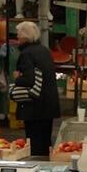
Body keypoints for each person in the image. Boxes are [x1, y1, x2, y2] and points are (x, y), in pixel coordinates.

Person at [10, 21, 61, 157]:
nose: (17, 38)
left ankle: (36, 169)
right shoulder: (44, 50)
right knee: (45, 140)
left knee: (35, 143)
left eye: (19, 35)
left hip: (34, 106)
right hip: (48, 104)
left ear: (25, 37)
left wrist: (17, 78)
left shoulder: (26, 54)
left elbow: (29, 80)